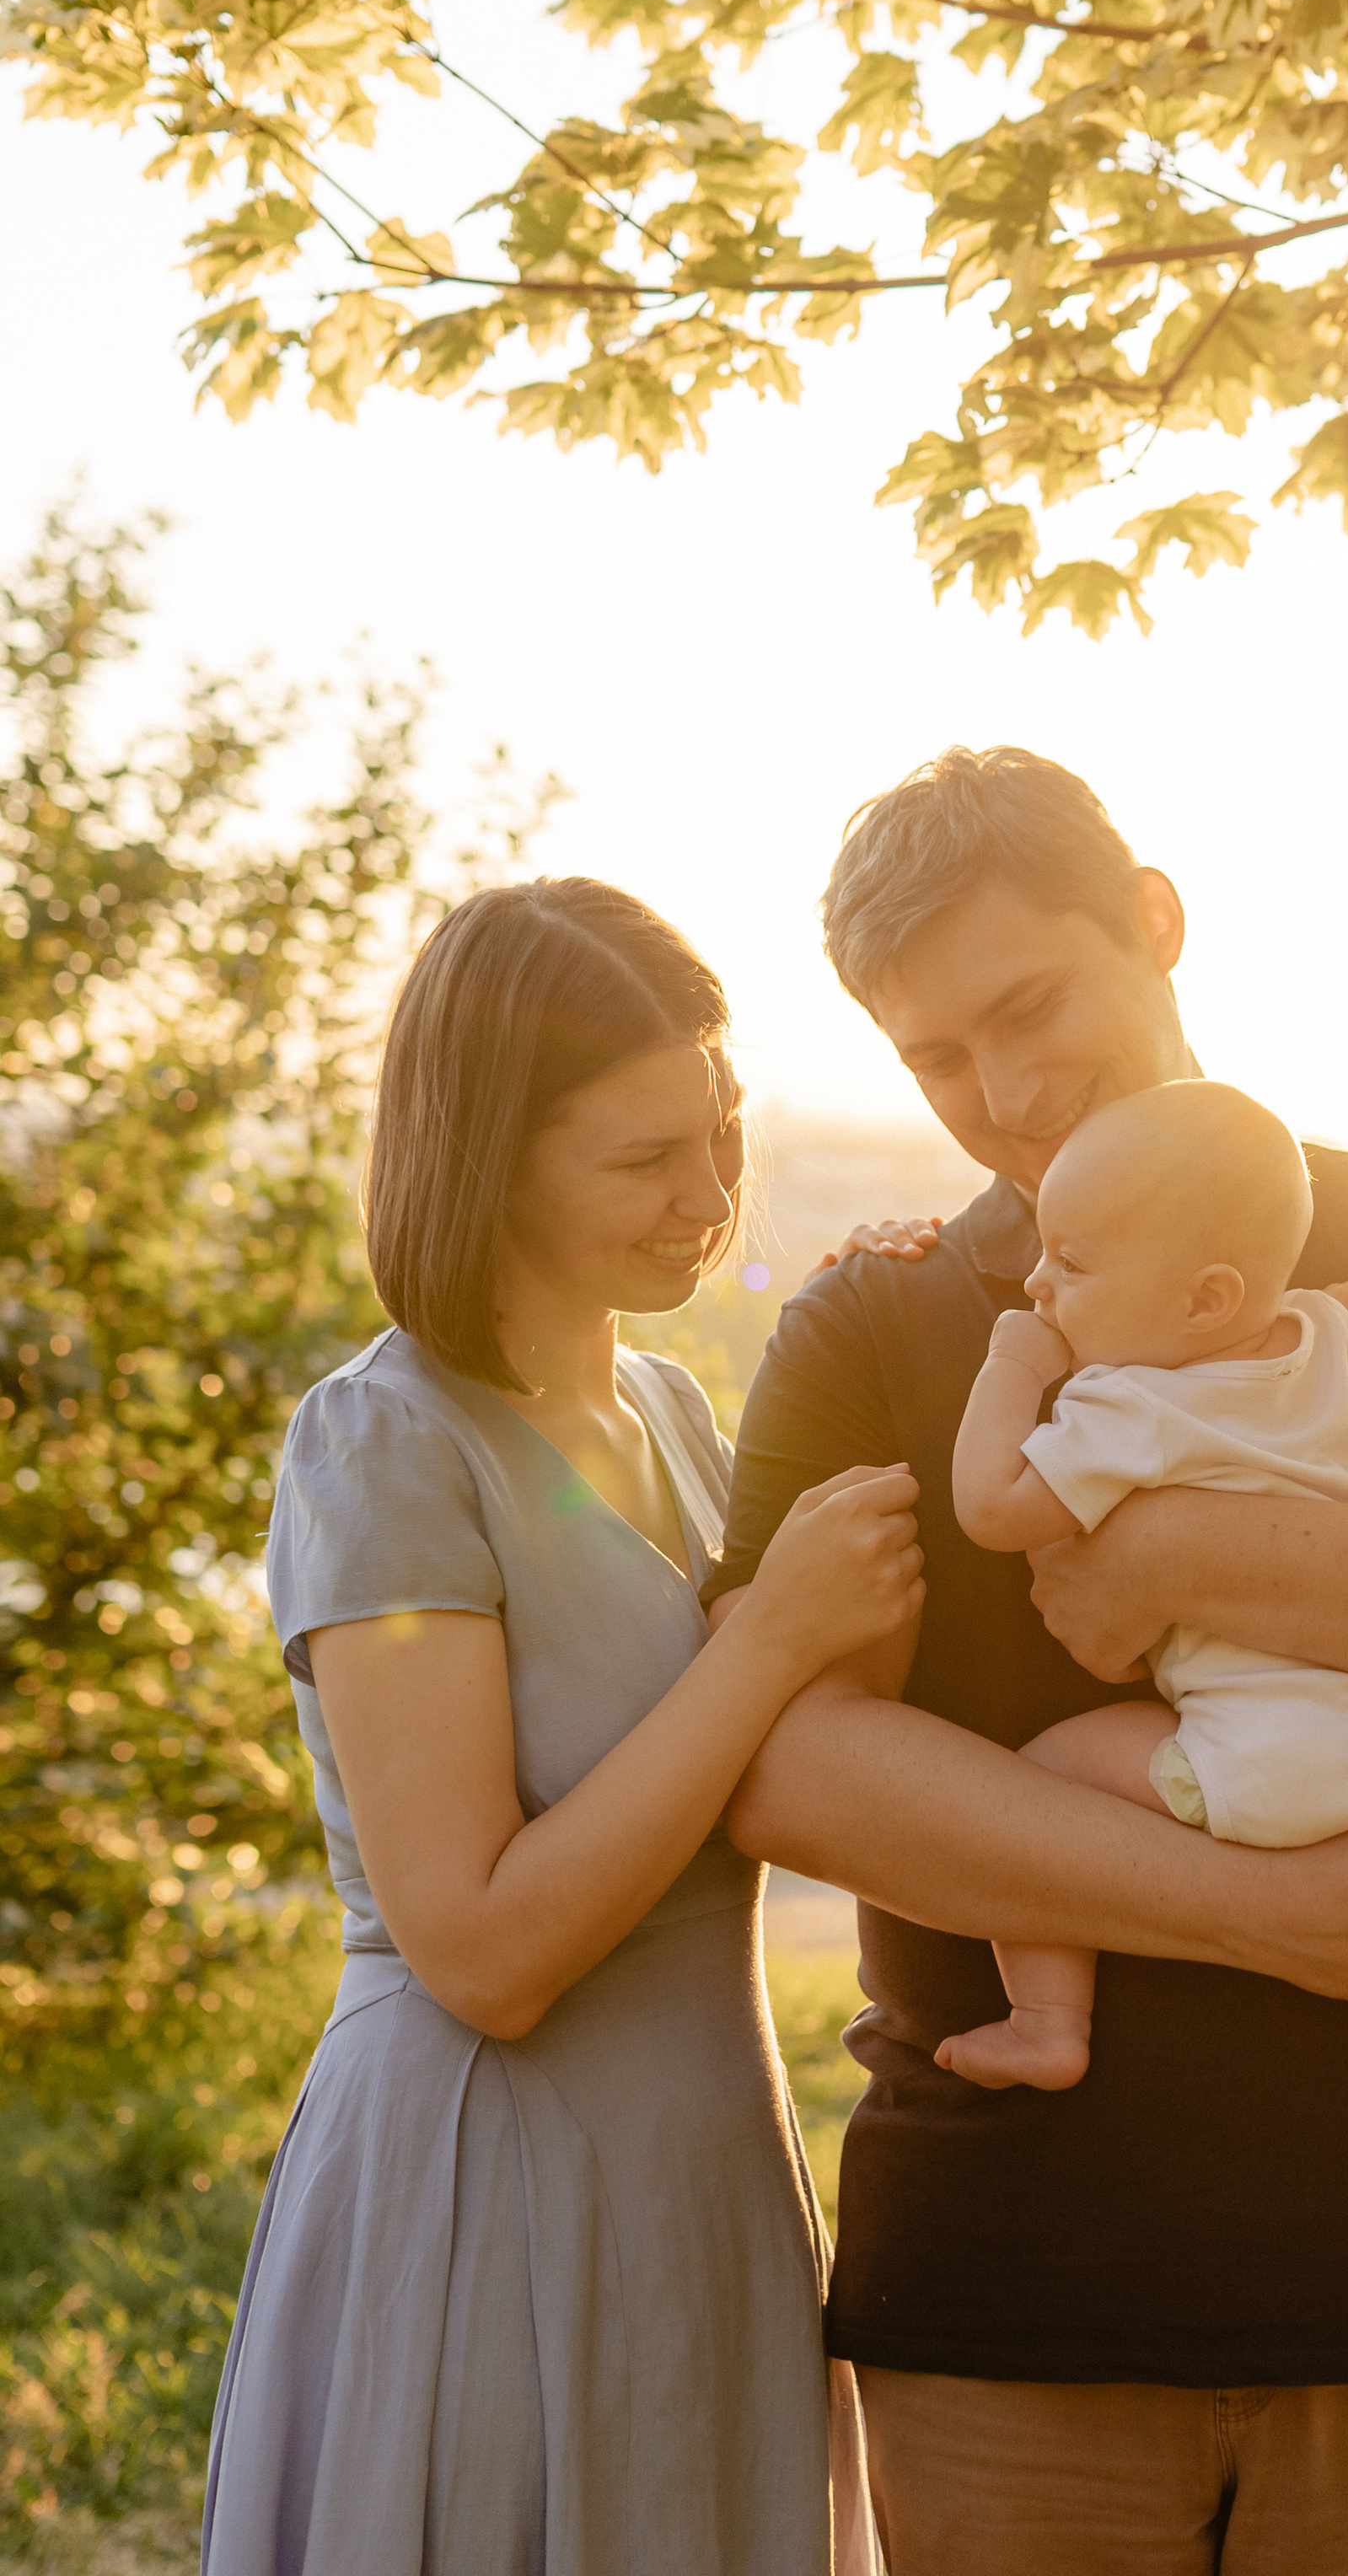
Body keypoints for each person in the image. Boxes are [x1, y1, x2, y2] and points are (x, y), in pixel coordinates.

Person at [719, 749, 1348, 2576]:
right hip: (1007, 2289)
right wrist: (1255, 1908)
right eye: (936, 1059)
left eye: (1031, 1009)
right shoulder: (879, 1316)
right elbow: (784, 1766)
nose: (1003, 1096)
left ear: (1153, 922)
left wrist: (1181, 1550)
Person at [201, 877, 921, 2576]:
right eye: (644, 1157)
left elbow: (789, 1751)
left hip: (706, 2165)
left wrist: (913, 1335)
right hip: (483, 2185)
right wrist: (768, 1646)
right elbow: (482, 1950)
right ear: (493, 1157)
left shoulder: (669, 1410)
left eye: (723, 1132)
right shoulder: (386, 1446)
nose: (710, 1196)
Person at [937, 1079, 1348, 2232]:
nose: (1039, 1285)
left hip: (1245, 1780)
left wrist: (1015, 1369)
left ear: (1205, 1298)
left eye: (1069, 1266)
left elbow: (992, 1504)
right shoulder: (1328, 1346)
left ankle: (1049, 2021)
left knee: (1041, 1781)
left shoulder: (1127, 1404)